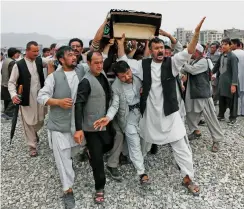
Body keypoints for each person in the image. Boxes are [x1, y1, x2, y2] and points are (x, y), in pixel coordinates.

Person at [116, 17, 207, 196]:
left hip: (170, 114)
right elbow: (124, 60)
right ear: (150, 50)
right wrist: (120, 43)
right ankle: (141, 172)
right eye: (156, 48)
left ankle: (188, 177)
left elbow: (189, 51)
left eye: (162, 48)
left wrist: (196, 35)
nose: (159, 51)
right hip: (150, 115)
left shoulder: (171, 63)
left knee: (181, 146)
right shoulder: (143, 65)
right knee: (143, 144)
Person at [37, 46, 86, 209]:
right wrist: (57, 102)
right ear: (61, 60)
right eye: (69, 55)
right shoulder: (54, 77)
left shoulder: (81, 72)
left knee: (73, 152)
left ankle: (69, 173)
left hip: (77, 124)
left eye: (74, 55)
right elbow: (41, 96)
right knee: (63, 158)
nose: (74, 57)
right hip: (59, 126)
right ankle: (67, 190)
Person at [94, 60, 150, 185]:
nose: (127, 77)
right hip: (126, 117)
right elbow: (115, 105)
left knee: (146, 140)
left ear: (130, 69)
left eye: (128, 73)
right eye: (122, 76)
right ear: (117, 77)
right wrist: (108, 118)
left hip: (141, 114)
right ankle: (141, 172)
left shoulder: (138, 78)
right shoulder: (116, 86)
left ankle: (132, 157)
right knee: (134, 142)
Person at [74, 51, 115, 203]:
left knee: (110, 143)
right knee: (97, 158)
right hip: (92, 127)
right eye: (95, 63)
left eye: (101, 62)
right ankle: (99, 187)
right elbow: (78, 105)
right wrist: (79, 129)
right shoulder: (86, 81)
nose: (99, 65)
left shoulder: (102, 74)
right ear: (88, 64)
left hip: (106, 122)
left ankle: (89, 151)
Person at [183, 43, 224, 152]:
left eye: (191, 51)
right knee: (190, 114)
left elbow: (191, 70)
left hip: (203, 95)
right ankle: (196, 131)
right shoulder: (193, 61)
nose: (189, 53)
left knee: (210, 117)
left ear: (197, 52)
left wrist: (182, 62)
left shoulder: (204, 62)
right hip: (192, 94)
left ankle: (217, 139)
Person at [8, 41, 46, 157]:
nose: (36, 53)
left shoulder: (39, 61)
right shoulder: (18, 64)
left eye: (37, 51)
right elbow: (11, 82)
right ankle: (32, 146)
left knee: (40, 120)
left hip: (40, 97)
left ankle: (34, 133)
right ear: (27, 50)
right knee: (28, 122)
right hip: (26, 98)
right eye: (34, 51)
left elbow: (51, 63)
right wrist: (14, 95)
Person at [212, 38, 239, 124]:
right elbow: (216, 66)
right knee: (222, 98)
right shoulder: (221, 55)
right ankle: (221, 115)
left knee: (232, 100)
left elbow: (235, 71)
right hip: (222, 81)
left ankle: (232, 117)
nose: (223, 46)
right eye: (222, 44)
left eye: (225, 44)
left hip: (230, 82)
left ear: (230, 45)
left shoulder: (233, 57)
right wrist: (211, 73)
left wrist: (234, 84)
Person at [1, 48, 18, 120]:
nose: (18, 55)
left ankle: (6, 113)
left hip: (4, 83)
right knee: (13, 99)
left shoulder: (5, 60)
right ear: (14, 54)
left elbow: (1, 71)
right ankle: (7, 113)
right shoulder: (12, 62)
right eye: (17, 53)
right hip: (9, 84)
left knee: (6, 99)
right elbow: (13, 74)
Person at [231, 38, 244, 116]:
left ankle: (238, 112)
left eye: (231, 44)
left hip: (235, 77)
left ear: (236, 44)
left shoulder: (232, 54)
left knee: (237, 95)